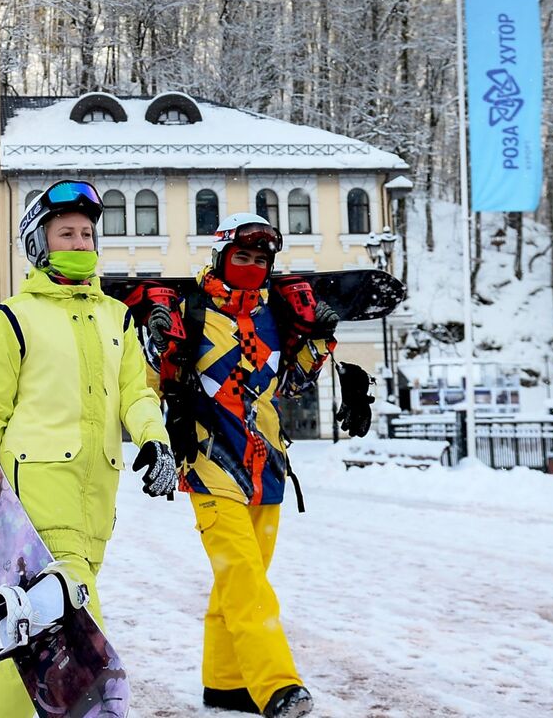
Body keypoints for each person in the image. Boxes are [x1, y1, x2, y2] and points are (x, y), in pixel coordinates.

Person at [0, 180, 176, 718]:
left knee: (41, 646)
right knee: (81, 650)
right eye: (66, 232)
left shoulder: (118, 318)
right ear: (39, 244)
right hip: (39, 506)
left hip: (97, 507)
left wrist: (155, 441)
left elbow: (136, 394)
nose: (80, 242)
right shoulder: (14, 318)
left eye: (88, 233)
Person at [132, 212, 373, 718]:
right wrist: (156, 347)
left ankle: (224, 683)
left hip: (266, 466)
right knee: (244, 577)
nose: (252, 266)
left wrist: (321, 343)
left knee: (238, 580)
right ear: (221, 255)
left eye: (261, 259)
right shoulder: (187, 309)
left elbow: (286, 385)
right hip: (207, 462)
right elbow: (154, 381)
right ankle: (276, 684)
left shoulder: (274, 315)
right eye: (242, 256)